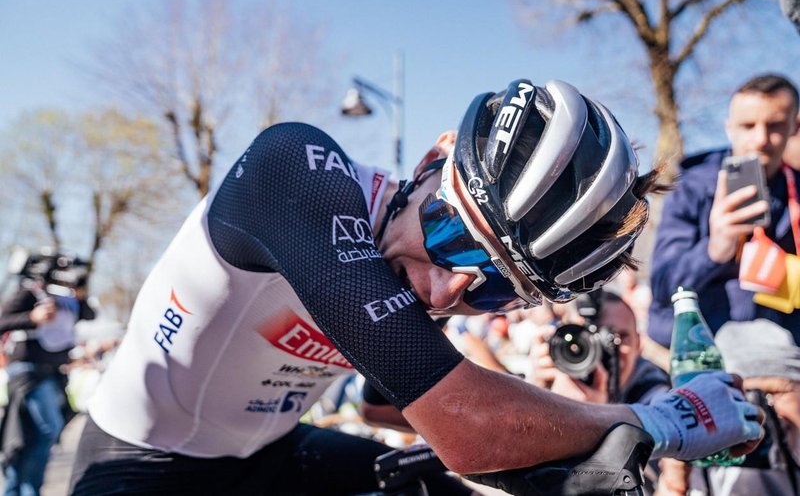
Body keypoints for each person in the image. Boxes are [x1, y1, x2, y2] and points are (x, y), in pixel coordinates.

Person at [68, 78, 763, 495]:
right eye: (452, 236)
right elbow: (462, 425)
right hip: (140, 461)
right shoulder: (298, 172)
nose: (441, 293)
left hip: (270, 454)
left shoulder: (428, 274)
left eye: (493, 289)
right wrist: (664, 421)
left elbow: (383, 408)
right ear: (432, 161)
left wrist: (566, 433)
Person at [647, 73, 800, 348]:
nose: (760, 139)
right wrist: (714, 249)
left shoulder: (796, 189)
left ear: (793, 126)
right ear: (729, 128)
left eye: (775, 125)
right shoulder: (692, 187)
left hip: (782, 346)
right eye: (748, 125)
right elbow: (661, 287)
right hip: (699, 347)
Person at [657, 320, 800, 496]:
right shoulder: (705, 450)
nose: (761, 413)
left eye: (772, 393)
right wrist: (674, 485)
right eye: (743, 397)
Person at [0, 251, 96, 496]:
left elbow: (89, 314)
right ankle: (28, 490)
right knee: (47, 429)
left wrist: (80, 289)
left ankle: (17, 490)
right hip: (28, 373)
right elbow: (3, 320)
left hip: (53, 374)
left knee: (26, 437)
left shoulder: (68, 298)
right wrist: (32, 317)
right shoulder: (31, 292)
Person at [529, 290, 671, 407]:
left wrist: (594, 414)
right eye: (592, 337)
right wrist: (538, 393)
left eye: (619, 337)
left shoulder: (655, 392)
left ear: (639, 344)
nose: (607, 350)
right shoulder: (560, 373)